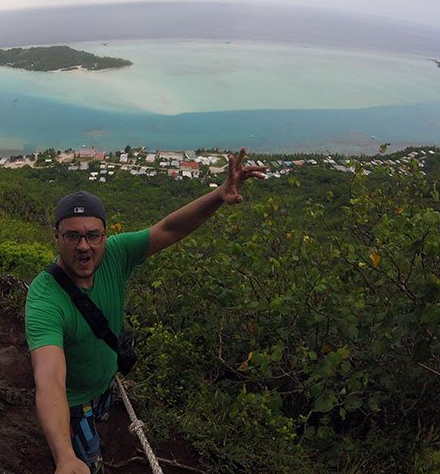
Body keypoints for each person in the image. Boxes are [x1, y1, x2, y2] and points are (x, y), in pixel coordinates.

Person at [25, 148, 266, 473]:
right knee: (87, 459)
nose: (84, 246)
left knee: (101, 420)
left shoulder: (115, 254)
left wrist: (219, 196)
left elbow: (169, 229)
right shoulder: (45, 298)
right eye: (72, 236)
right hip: (73, 401)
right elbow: (50, 377)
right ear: (56, 237)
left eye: (93, 235)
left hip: (105, 384)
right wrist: (65, 456)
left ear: (104, 236)